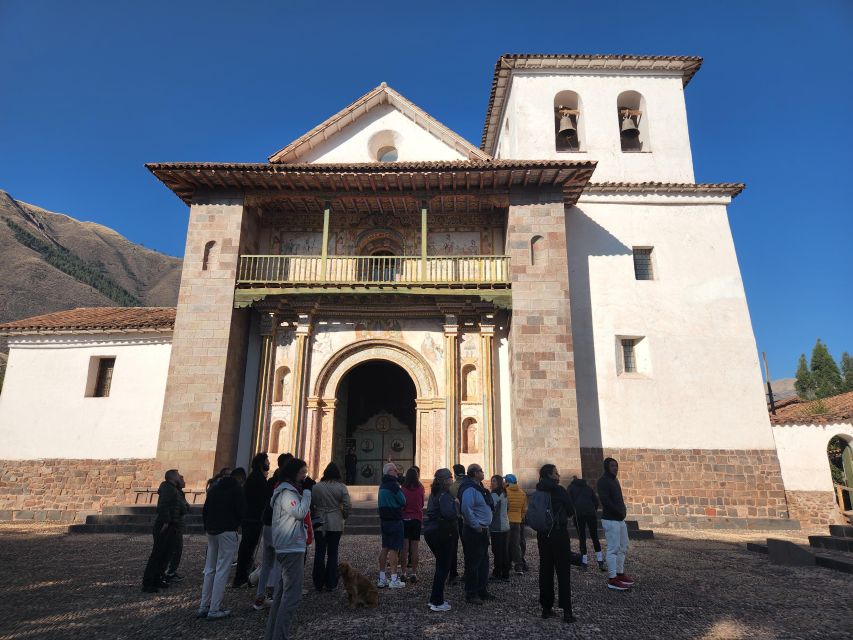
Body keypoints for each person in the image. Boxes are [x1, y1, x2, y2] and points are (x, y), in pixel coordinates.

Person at [265, 457, 314, 640]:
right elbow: (300, 513)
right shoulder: (287, 493)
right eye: (302, 473)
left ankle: (272, 635)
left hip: (289, 545)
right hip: (291, 547)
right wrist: (308, 493)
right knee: (292, 596)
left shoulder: (288, 491)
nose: (305, 476)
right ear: (293, 473)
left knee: (280, 594)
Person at [198, 467, 247, 620]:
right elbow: (242, 510)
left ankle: (203, 606)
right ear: (240, 479)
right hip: (227, 530)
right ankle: (214, 608)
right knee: (222, 569)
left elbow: (205, 510)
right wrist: (236, 524)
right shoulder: (236, 489)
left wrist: (208, 526)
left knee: (210, 569)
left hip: (212, 530)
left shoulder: (214, 488)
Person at [535, 464, 575, 623]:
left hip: (543, 535)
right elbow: (571, 510)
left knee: (545, 570)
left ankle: (546, 608)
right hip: (559, 534)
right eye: (556, 473)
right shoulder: (559, 491)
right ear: (550, 475)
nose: (559, 475)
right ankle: (567, 611)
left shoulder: (538, 491)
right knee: (563, 572)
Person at [254, 453, 292, 610]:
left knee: (267, 562)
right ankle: (275, 596)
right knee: (279, 562)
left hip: (267, 523)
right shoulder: (285, 484)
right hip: (278, 525)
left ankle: (259, 597)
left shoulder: (269, 481)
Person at [310, 462, 351, 592]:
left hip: (320, 521)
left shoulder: (316, 487)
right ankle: (331, 582)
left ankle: (318, 582)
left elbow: (312, 504)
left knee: (319, 552)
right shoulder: (341, 487)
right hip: (335, 521)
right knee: (333, 553)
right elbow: (347, 505)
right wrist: (343, 515)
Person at [423, 468, 458, 612]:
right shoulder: (444, 495)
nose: (452, 479)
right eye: (450, 477)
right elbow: (448, 513)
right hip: (442, 532)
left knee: (441, 566)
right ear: (445, 481)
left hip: (431, 531)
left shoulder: (434, 493)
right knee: (443, 567)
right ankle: (437, 601)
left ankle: (434, 599)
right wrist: (456, 504)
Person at [458, 464, 494, 604]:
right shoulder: (469, 489)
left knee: (484, 561)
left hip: (482, 530)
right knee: (473, 562)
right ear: (473, 473)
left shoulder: (479, 488)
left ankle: (482, 590)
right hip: (475, 531)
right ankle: (471, 593)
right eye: (480, 470)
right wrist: (476, 525)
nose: (483, 472)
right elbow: (466, 509)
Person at [142, 469, 182, 593]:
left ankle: (157, 578)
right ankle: (148, 583)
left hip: (171, 524)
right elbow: (162, 506)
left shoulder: (172, 489)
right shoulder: (168, 489)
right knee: (158, 554)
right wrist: (166, 521)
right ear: (173, 478)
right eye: (178, 476)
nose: (180, 478)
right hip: (165, 525)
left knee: (166, 554)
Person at [234, 453, 271, 587]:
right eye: (267, 461)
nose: (269, 464)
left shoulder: (254, 477)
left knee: (248, 547)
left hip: (251, 518)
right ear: (262, 464)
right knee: (247, 548)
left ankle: (244, 574)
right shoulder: (257, 478)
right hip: (253, 519)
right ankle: (241, 577)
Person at [597, 457, 634, 590]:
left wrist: (623, 511)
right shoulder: (603, 481)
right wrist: (619, 511)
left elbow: (619, 499)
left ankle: (620, 573)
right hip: (611, 519)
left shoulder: (615, 480)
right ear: (607, 467)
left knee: (623, 547)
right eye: (612, 466)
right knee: (613, 549)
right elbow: (605, 501)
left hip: (619, 519)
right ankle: (612, 578)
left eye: (616, 465)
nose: (615, 468)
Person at [377, 462, 406, 589]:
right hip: (394, 519)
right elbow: (403, 501)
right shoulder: (394, 486)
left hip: (384, 520)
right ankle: (394, 578)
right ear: (389, 472)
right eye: (395, 470)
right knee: (394, 549)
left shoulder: (382, 486)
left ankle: (382, 578)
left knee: (385, 547)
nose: (397, 472)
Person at [568, 475, 605, 571]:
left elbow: (569, 502)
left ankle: (584, 563)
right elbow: (596, 502)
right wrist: (593, 510)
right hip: (591, 513)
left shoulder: (571, 487)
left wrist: (572, 514)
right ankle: (600, 562)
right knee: (595, 537)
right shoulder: (588, 487)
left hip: (579, 515)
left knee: (582, 538)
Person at [400, 466, 425, 583]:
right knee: (414, 547)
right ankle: (414, 573)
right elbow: (421, 504)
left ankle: (403, 573)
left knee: (404, 548)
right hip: (416, 519)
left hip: (405, 519)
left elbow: (401, 504)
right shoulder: (421, 488)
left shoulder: (403, 488)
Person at [165, 472, 190, 582]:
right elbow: (184, 508)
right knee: (174, 550)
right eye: (181, 477)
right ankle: (168, 573)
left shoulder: (178, 492)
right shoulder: (174, 492)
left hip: (176, 524)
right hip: (174, 525)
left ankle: (170, 572)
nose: (183, 480)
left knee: (176, 549)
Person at [504, 474, 528, 575]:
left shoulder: (505, 492)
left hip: (506, 521)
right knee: (516, 544)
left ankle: (507, 565)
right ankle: (518, 566)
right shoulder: (522, 493)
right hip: (517, 521)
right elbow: (524, 509)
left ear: (507, 482)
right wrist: (520, 517)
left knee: (506, 544)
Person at [447, 463, 466, 584]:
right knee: (468, 546)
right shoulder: (470, 485)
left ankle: (453, 574)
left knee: (453, 547)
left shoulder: (452, 487)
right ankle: (468, 571)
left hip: (455, 519)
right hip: (467, 519)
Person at [489, 475, 510, 581]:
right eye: (491, 481)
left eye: (494, 481)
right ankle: (505, 573)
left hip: (497, 526)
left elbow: (492, 511)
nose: (492, 483)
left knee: (497, 551)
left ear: (498, 482)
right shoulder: (505, 493)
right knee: (503, 550)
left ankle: (497, 572)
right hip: (505, 525)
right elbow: (507, 508)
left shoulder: (494, 494)